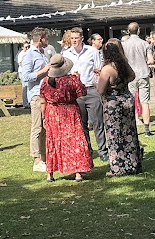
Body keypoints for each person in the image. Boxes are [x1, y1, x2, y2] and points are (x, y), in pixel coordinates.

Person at [40, 54, 93, 183]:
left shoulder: (45, 81)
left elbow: (43, 101)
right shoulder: (72, 79)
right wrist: (78, 78)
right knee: (74, 140)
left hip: (52, 112)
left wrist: (44, 116)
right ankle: (78, 173)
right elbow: (82, 92)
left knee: (53, 141)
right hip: (70, 111)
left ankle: (50, 174)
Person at [97, 41, 142, 176]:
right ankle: (133, 163)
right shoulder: (123, 65)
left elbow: (100, 90)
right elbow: (132, 76)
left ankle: (118, 167)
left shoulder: (107, 69)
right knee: (129, 133)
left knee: (115, 135)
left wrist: (97, 81)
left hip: (113, 103)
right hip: (127, 99)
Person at [63, 28, 106, 159]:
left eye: (76, 38)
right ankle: (87, 151)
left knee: (98, 122)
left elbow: (99, 71)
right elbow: (63, 73)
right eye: (72, 38)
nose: (74, 40)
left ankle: (103, 151)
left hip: (91, 89)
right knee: (82, 124)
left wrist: (99, 89)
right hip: (76, 93)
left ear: (82, 38)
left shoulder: (92, 51)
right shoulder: (66, 53)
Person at [19, 27, 51, 173]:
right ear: (41, 38)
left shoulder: (43, 53)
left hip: (46, 93)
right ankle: (36, 160)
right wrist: (43, 71)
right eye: (46, 38)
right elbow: (25, 77)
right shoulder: (29, 55)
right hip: (36, 95)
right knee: (37, 127)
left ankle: (44, 157)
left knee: (45, 127)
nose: (47, 41)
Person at [121, 22, 153, 137]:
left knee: (131, 101)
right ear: (138, 30)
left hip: (130, 75)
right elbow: (151, 60)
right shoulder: (144, 44)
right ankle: (147, 129)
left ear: (128, 31)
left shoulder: (124, 44)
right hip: (143, 74)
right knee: (145, 102)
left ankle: (134, 125)